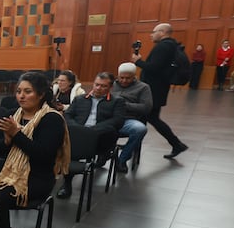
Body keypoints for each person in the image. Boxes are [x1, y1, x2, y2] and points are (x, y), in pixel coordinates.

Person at [0, 71, 69, 228]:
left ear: (41, 94)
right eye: (19, 91)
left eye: (28, 92)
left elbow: (43, 155)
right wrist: (8, 140)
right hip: (12, 172)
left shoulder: (51, 119)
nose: (21, 96)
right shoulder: (13, 115)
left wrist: (16, 135)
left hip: (38, 178)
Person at [58, 72, 124, 199]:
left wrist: (93, 130)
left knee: (108, 130)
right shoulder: (80, 99)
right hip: (79, 135)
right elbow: (68, 115)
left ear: (110, 88)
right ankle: (67, 184)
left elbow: (118, 120)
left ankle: (100, 156)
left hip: (100, 137)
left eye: (103, 86)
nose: (98, 88)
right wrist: (78, 129)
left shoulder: (117, 102)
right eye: (97, 85)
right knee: (71, 144)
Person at [130, 23, 189, 159]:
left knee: (147, 118)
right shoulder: (170, 46)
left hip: (153, 90)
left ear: (162, 32)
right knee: (150, 118)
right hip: (158, 88)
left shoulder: (163, 46)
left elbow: (154, 68)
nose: (151, 34)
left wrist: (138, 61)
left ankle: (135, 150)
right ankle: (175, 144)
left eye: (154, 31)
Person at [110, 63, 152, 174]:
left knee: (140, 129)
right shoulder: (110, 84)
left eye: (128, 78)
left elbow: (146, 107)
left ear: (134, 76)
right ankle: (102, 154)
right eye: (121, 77)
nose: (124, 80)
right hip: (109, 117)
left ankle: (122, 159)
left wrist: (124, 105)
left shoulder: (143, 87)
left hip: (128, 119)